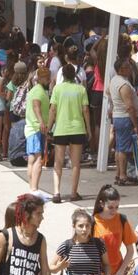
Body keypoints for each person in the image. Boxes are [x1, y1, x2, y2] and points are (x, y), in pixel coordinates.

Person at [50, 208, 110, 275]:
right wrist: (59, 267)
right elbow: (50, 267)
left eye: (87, 226)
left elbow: (107, 264)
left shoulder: (98, 244)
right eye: (80, 226)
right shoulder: (67, 245)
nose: (84, 229)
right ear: (74, 226)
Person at [48, 64, 91, 203]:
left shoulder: (57, 89)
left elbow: (53, 110)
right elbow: (85, 110)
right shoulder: (81, 89)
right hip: (77, 128)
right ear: (75, 75)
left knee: (58, 162)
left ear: (63, 75)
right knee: (75, 163)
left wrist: (49, 127)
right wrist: (88, 129)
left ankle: (56, 192)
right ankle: (73, 193)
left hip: (61, 129)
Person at [92, 185, 137, 275]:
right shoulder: (92, 222)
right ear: (101, 204)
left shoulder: (121, 220)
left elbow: (130, 250)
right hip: (96, 273)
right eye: (110, 207)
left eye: (117, 207)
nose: (114, 211)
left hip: (115, 272)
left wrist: (119, 274)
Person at [109, 58, 138, 185]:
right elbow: (129, 106)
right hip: (124, 117)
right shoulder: (123, 85)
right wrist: (135, 123)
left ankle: (119, 174)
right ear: (122, 69)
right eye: (128, 67)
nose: (130, 69)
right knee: (123, 149)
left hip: (118, 116)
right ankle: (122, 175)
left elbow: (108, 92)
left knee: (119, 147)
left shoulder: (115, 81)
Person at [24, 67, 51, 199]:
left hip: (32, 128)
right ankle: (34, 189)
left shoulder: (36, 90)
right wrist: (41, 122)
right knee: (38, 159)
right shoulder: (38, 91)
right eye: (46, 77)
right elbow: (36, 106)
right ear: (39, 78)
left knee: (32, 159)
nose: (48, 79)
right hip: (36, 128)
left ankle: (32, 188)